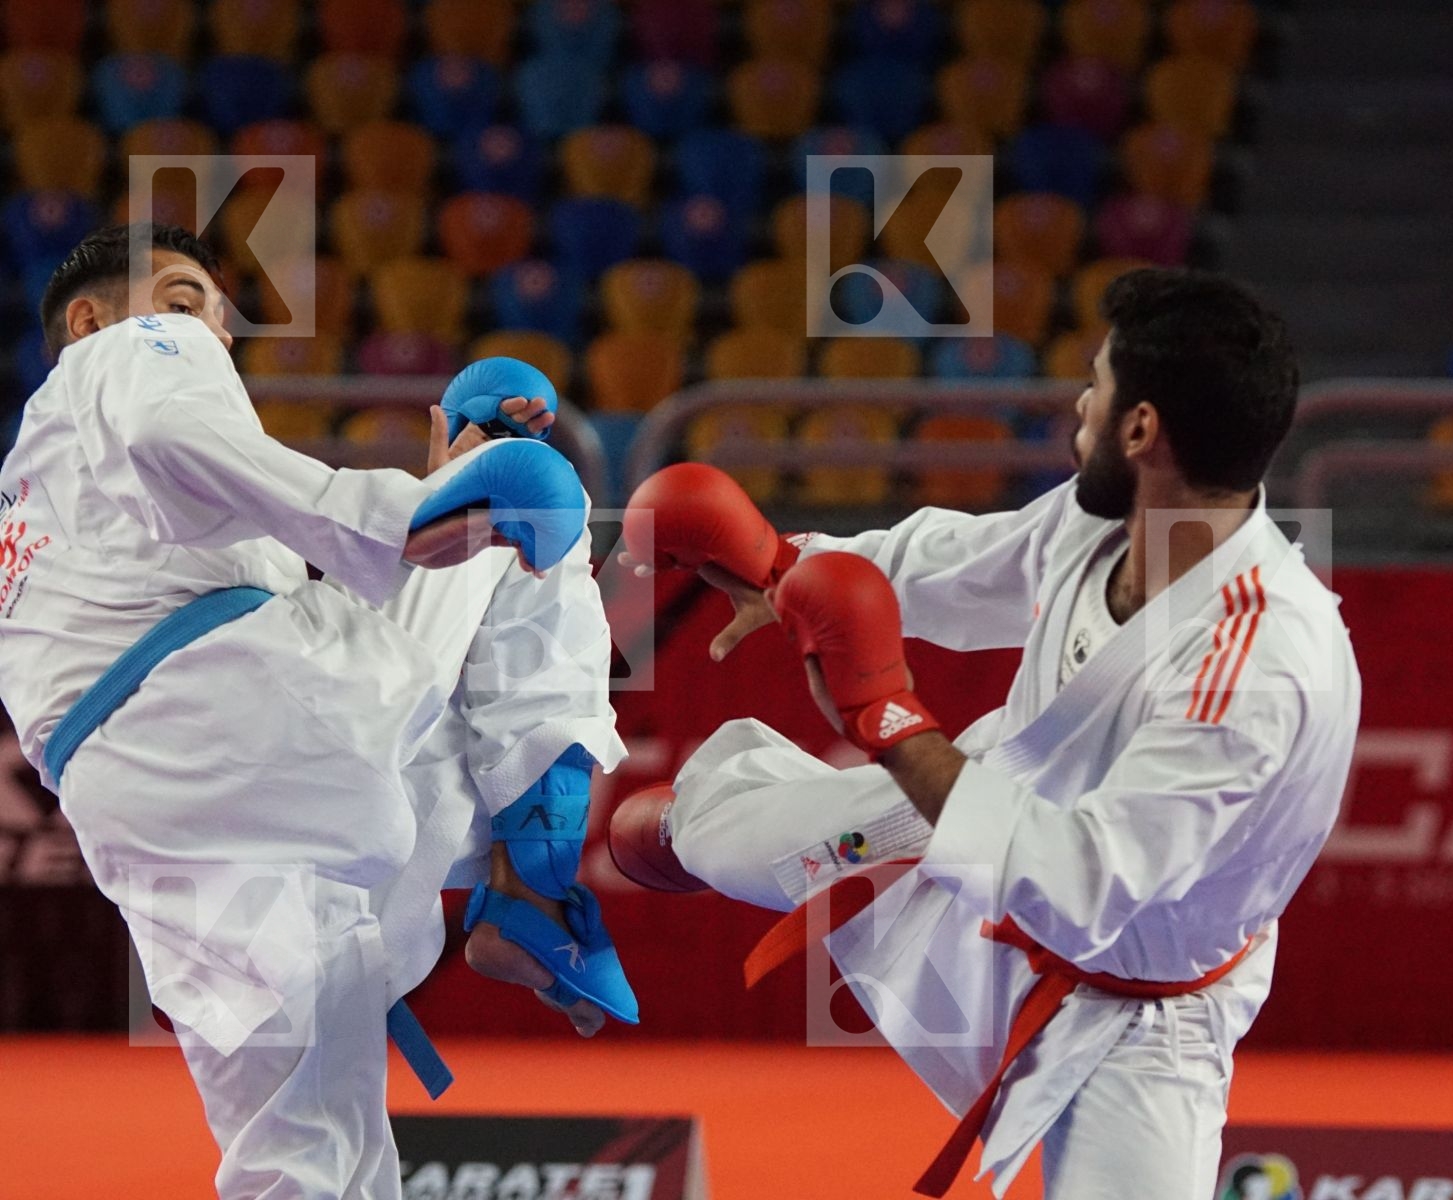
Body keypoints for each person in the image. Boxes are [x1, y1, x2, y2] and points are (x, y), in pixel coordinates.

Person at [612, 267, 1362, 1199]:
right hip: (967, 810)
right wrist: (782, 567)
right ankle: (698, 824)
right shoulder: (1116, 517)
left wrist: (888, 721)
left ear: (1141, 430)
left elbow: (1079, 884)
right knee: (720, 833)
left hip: (1140, 1010)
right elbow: (958, 565)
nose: (1080, 403)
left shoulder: (1257, 668)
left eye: (1099, 383)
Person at [0, 223, 638, 1198]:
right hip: (229, 716)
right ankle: (536, 882)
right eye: (183, 301)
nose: (206, 334)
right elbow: (174, 426)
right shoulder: (130, 352)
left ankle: (525, 873)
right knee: (532, 489)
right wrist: (399, 515)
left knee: (302, 1150)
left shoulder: (41, 496)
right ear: (89, 318)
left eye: (215, 319)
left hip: (155, 823)